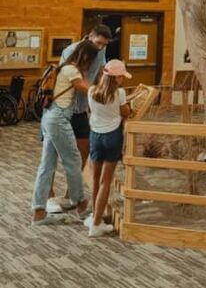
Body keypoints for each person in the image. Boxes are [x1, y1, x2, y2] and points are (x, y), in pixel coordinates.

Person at [47, 24, 112, 213]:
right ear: (89, 36)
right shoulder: (71, 51)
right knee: (51, 153)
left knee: (83, 150)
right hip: (62, 109)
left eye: (104, 44)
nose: (101, 47)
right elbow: (76, 82)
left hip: (81, 109)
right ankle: (48, 197)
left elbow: (100, 72)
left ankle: (71, 195)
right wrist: (102, 94)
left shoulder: (101, 50)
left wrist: (105, 87)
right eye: (98, 43)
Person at [31, 40, 97, 225]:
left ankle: (39, 212)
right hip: (59, 119)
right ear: (86, 56)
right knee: (73, 160)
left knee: (47, 165)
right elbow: (86, 89)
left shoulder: (64, 68)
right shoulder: (72, 70)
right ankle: (81, 204)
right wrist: (107, 90)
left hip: (50, 117)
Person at [85, 59, 131, 238]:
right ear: (116, 77)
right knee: (106, 182)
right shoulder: (120, 93)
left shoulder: (91, 91)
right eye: (121, 76)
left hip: (95, 136)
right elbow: (125, 112)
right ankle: (97, 224)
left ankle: (94, 216)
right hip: (112, 136)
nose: (123, 80)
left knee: (95, 179)